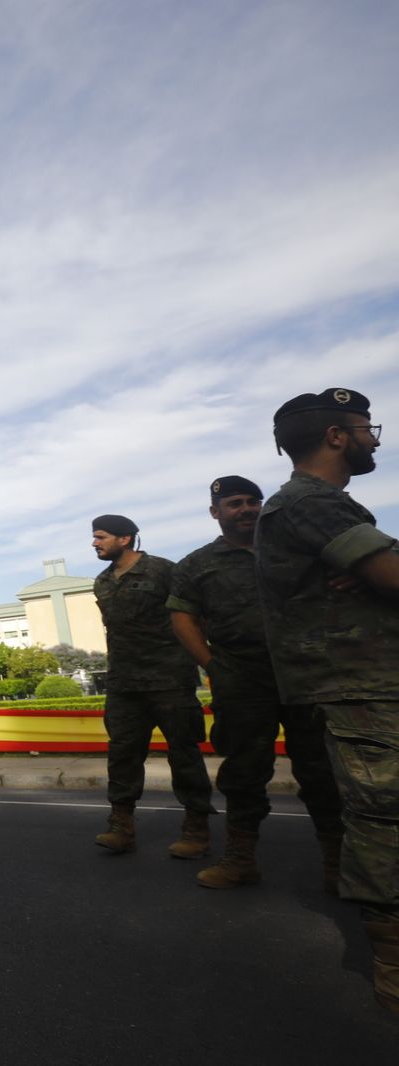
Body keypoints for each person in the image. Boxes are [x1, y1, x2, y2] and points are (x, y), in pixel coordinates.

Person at [255, 387, 399, 1016]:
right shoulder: (309, 504)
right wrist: (383, 568)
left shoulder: (331, 507)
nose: (375, 437)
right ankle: (392, 962)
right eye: (367, 428)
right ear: (336, 436)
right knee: (384, 819)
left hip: (373, 678)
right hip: (362, 684)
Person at [167, 476, 342, 892]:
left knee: (321, 769)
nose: (246, 509)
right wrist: (212, 665)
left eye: (252, 501)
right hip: (242, 679)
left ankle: (340, 862)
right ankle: (240, 860)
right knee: (244, 772)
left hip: (306, 672)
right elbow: (182, 617)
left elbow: (346, 579)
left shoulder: (295, 548)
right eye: (234, 504)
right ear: (216, 513)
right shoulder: (197, 564)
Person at [90, 515, 214, 857]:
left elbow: (193, 616)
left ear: (125, 539)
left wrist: (208, 663)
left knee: (184, 755)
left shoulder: (164, 571)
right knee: (123, 756)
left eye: (101, 537)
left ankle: (196, 829)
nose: (94, 543)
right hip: (124, 683)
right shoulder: (101, 581)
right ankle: (121, 827)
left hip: (169, 680)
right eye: (94, 537)